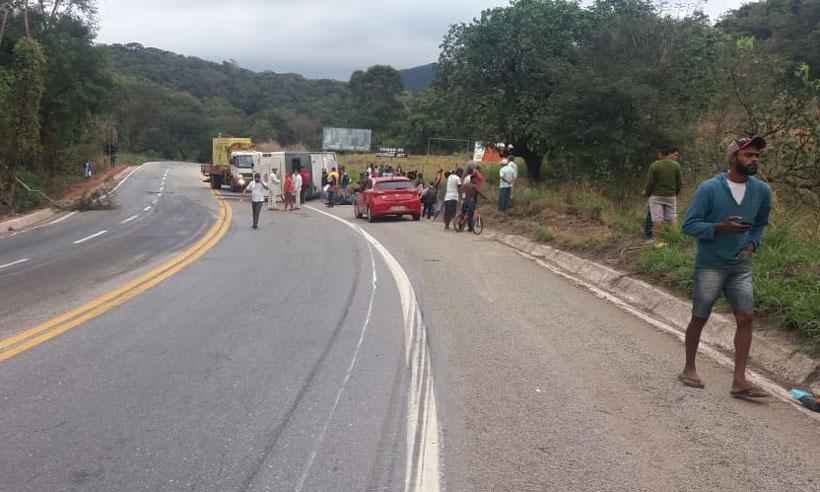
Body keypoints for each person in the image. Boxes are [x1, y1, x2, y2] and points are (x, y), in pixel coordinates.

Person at [680, 136, 771, 398]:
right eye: (748, 155)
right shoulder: (709, 188)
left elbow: (761, 222)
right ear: (733, 159)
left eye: (756, 156)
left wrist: (753, 243)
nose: (754, 160)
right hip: (710, 264)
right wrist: (720, 227)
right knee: (700, 316)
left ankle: (740, 380)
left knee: (746, 318)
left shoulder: (761, 190)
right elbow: (689, 225)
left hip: (740, 265)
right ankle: (689, 368)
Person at [645, 146, 683, 247]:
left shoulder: (654, 165)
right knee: (672, 218)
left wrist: (647, 193)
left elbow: (650, 182)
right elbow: (679, 182)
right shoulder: (676, 165)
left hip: (656, 196)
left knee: (657, 219)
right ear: (668, 154)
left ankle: (657, 242)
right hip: (671, 196)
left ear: (661, 154)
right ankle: (675, 240)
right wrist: (676, 193)